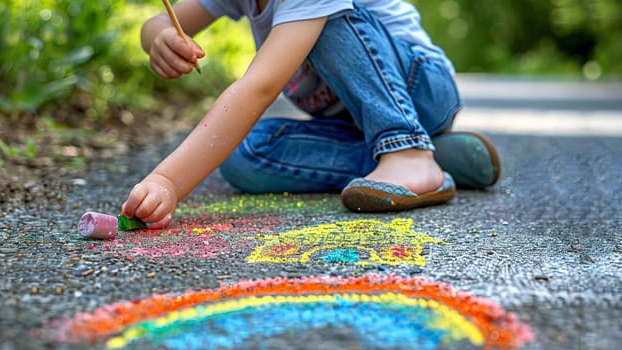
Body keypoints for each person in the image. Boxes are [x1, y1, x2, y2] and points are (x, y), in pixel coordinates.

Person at [121, 0, 501, 228]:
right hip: (352, 123)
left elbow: (258, 88)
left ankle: (407, 151)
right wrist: (158, 37)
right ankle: (430, 157)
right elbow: (161, 21)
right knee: (244, 155)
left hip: (421, 92)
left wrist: (168, 181)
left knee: (328, 22)